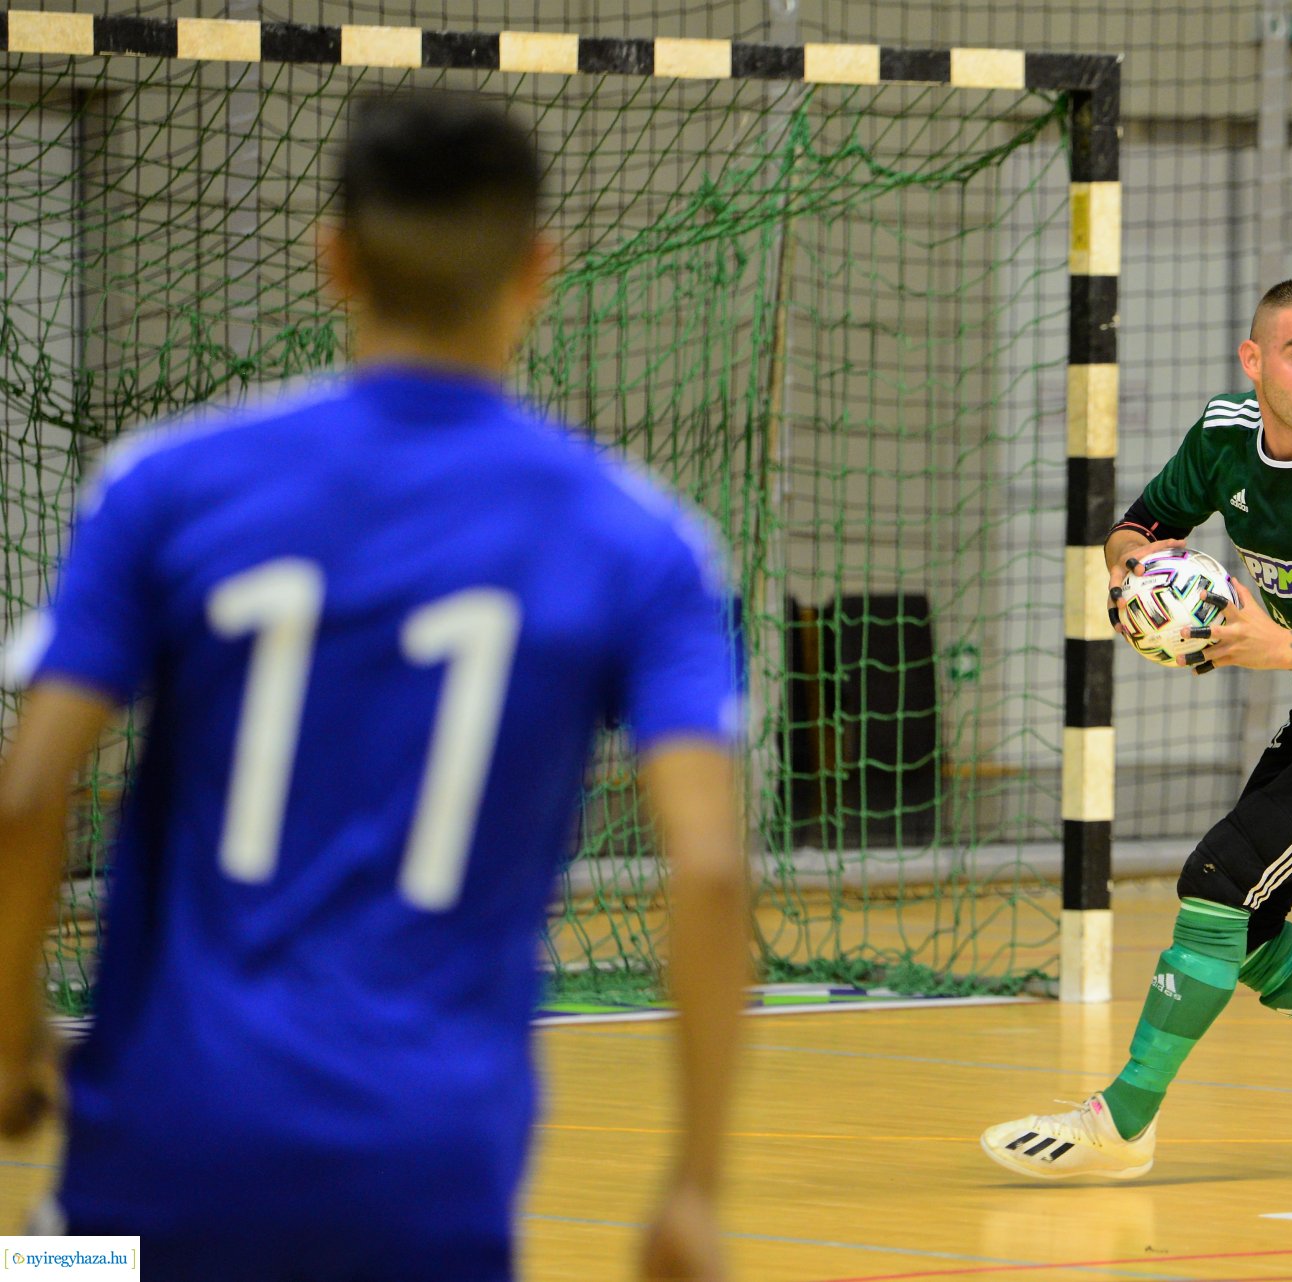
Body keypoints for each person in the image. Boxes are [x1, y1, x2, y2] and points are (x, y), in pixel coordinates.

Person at [0, 92, 747, 1280]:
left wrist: (10, 1038)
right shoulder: (643, 543)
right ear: (537, 270)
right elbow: (708, 869)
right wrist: (693, 1186)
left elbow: (29, 791)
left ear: (332, 255)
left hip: (155, 1166)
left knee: (39, 1265)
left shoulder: (169, 485)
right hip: (431, 1180)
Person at [983, 279, 1292, 1184]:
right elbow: (1137, 528)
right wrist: (1140, 582)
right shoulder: (1224, 436)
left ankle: (1122, 1122)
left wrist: (1276, 642)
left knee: (1218, 875)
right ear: (1255, 361)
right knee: (1244, 924)